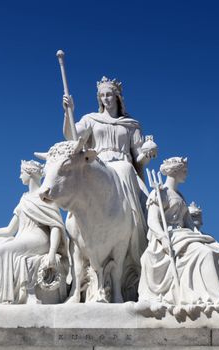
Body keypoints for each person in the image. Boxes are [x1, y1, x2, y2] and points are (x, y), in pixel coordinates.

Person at [62, 76, 156, 299]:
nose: (106, 98)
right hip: (98, 167)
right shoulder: (90, 119)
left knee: (150, 206)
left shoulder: (131, 125)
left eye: (109, 94)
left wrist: (148, 153)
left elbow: (138, 160)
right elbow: (72, 138)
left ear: (117, 97)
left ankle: (147, 246)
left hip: (125, 170)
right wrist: (68, 112)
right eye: (102, 95)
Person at [137, 157, 219, 319]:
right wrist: (163, 237)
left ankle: (211, 292)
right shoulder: (159, 193)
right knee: (204, 253)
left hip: (185, 235)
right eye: (184, 171)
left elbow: (189, 224)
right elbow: (152, 221)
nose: (186, 174)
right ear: (175, 171)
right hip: (169, 236)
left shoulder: (179, 196)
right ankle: (215, 298)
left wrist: (202, 237)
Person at [0, 160, 68, 304]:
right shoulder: (24, 200)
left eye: (21, 173)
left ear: (30, 174)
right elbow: (9, 230)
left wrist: (51, 253)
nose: (19, 177)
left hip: (38, 239)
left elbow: (55, 227)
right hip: (22, 238)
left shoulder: (46, 197)